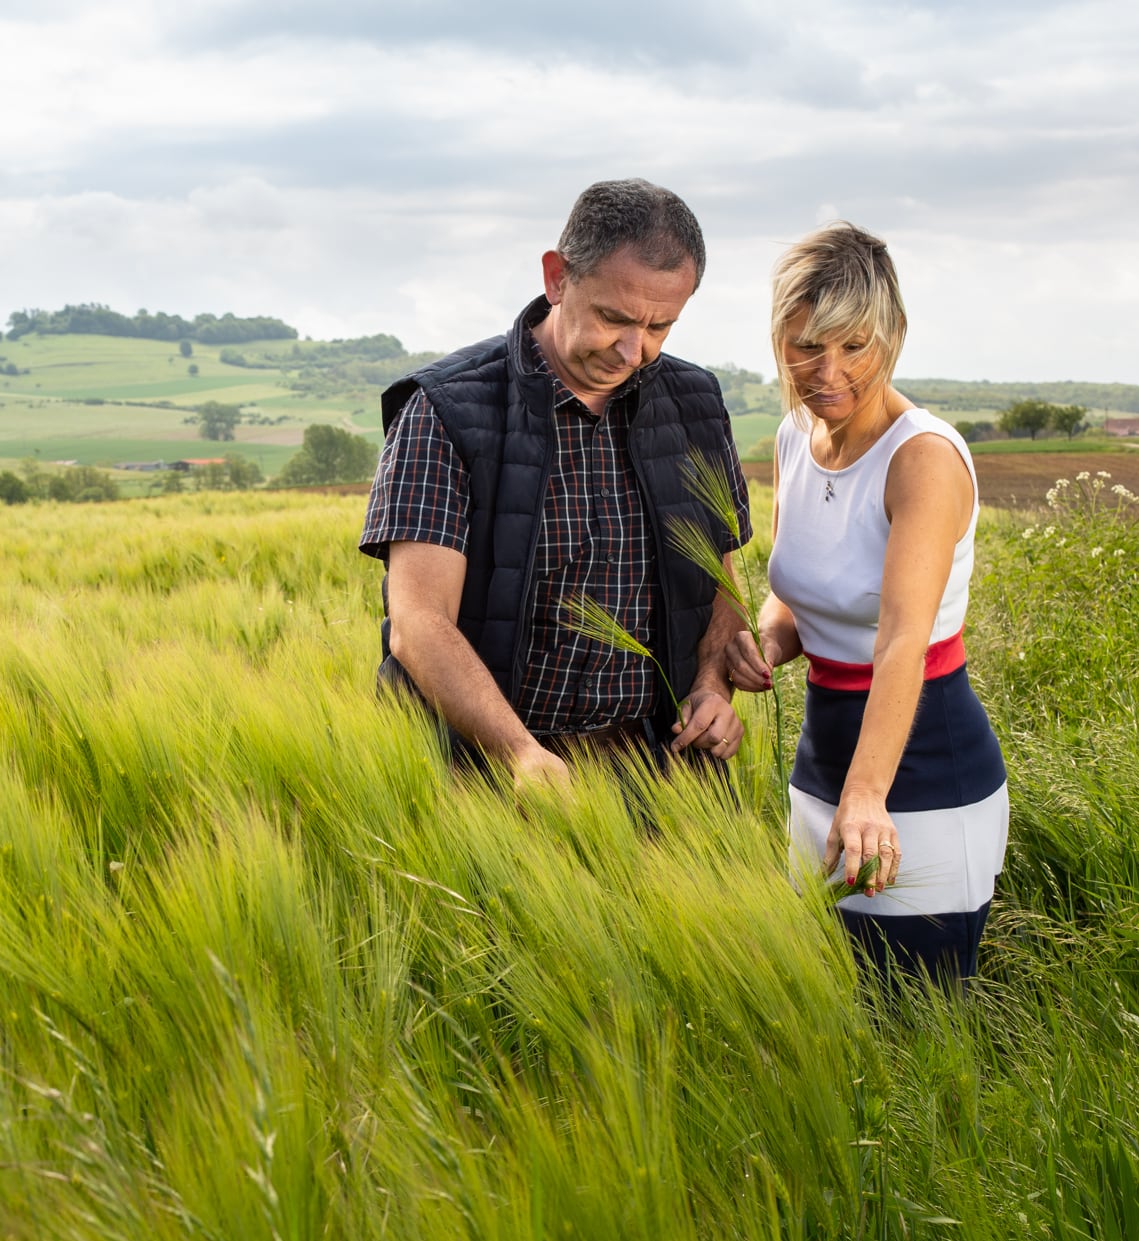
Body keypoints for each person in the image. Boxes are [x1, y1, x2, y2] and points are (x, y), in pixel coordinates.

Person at [359, 178, 752, 784]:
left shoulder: (696, 402)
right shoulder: (446, 410)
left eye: (660, 327)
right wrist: (517, 751)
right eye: (613, 317)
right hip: (481, 770)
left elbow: (721, 581)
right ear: (557, 278)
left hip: (660, 773)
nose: (633, 350)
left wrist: (710, 685)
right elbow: (419, 623)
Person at [726, 224, 1008, 981]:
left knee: (917, 1028)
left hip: (916, 775)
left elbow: (900, 639)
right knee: (830, 1010)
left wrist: (866, 795)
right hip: (820, 769)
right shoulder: (793, 436)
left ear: (893, 336)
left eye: (854, 346)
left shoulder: (923, 460)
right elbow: (794, 602)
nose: (829, 372)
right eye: (805, 346)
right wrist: (764, 645)